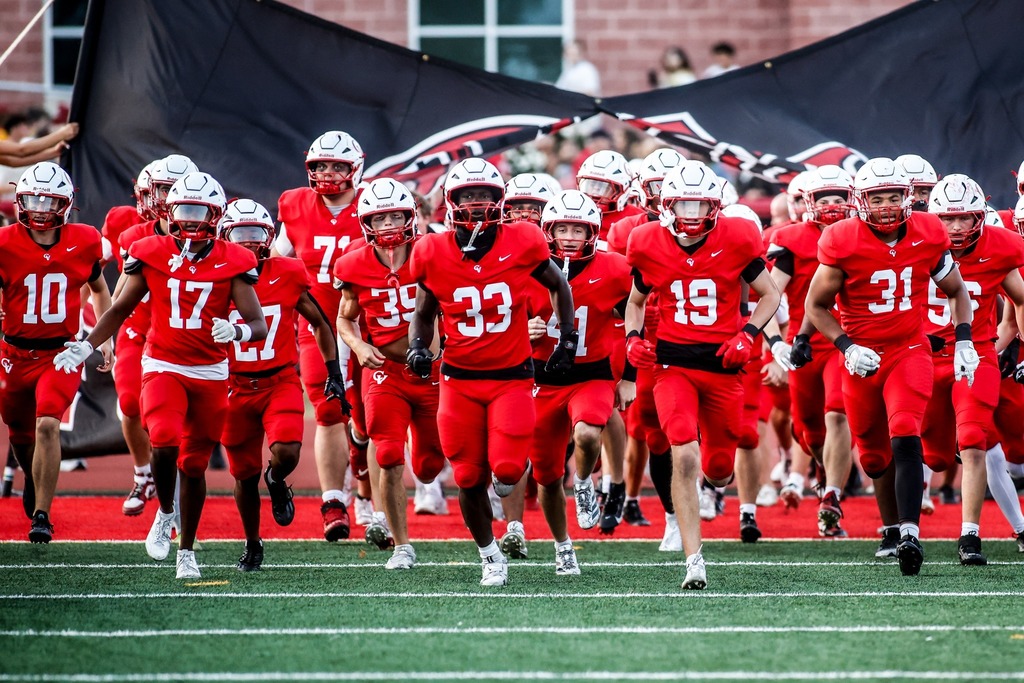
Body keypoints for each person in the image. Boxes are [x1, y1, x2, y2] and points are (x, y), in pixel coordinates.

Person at [55, 171, 268, 579]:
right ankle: (165, 513)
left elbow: (257, 323)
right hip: (164, 363)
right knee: (165, 438)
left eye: (198, 211)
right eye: (182, 210)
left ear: (216, 215)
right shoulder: (149, 249)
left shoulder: (235, 259)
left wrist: (237, 330)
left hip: (210, 370)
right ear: (169, 212)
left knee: (194, 465)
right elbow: (118, 307)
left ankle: (185, 550)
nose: (189, 219)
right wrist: (87, 344)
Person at [803, 157, 976, 575]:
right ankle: (890, 526)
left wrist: (964, 339)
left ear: (907, 197)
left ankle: (909, 533)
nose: (885, 205)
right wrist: (845, 345)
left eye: (893, 196)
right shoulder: (841, 239)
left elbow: (956, 291)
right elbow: (816, 306)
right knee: (874, 455)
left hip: (907, 349)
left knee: (905, 432)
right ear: (862, 201)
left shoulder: (928, 231)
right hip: (861, 356)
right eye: (877, 197)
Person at [407, 157, 576, 587]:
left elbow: (560, 285)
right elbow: (423, 312)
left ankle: (506, 503)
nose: (477, 203)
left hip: (512, 377)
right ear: (452, 201)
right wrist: (416, 348)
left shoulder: (523, 241)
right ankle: (489, 555)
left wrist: (567, 338)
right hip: (459, 381)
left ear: (499, 201)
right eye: (468, 196)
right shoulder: (431, 251)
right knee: (466, 475)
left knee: (505, 468)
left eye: (485, 195)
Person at [625, 160, 781, 589]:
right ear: (666, 204)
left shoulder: (737, 237)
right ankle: (694, 558)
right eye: (684, 203)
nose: (692, 213)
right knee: (684, 453)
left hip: (724, 366)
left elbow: (770, 294)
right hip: (672, 365)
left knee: (717, 469)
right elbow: (635, 301)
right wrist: (633, 337)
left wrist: (749, 334)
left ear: (716, 206)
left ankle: (715, 489)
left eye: (700, 203)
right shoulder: (647, 242)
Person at [219, 198, 345, 572]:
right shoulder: (212, 276)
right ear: (224, 236)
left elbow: (321, 322)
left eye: (255, 234)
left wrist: (333, 371)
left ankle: (275, 479)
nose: (247, 243)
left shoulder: (288, 271)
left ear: (269, 236)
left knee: (287, 451)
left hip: (279, 380)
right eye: (239, 234)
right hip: (233, 385)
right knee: (242, 473)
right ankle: (252, 543)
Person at [335, 178, 446, 570]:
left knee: (430, 464)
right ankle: (402, 546)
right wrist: (361, 347)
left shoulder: (432, 252)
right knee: (386, 453)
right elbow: (345, 318)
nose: (388, 225)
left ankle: (425, 472)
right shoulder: (351, 263)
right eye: (379, 218)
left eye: (395, 216)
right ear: (366, 223)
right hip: (384, 372)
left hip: (432, 372)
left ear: (410, 216)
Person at [0, 161, 112, 542]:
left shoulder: (83, 240)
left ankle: (42, 516)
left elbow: (98, 289)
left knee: (48, 423)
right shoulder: (5, 243)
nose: (39, 209)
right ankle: (33, 483)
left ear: (64, 206)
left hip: (59, 354)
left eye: (48, 202)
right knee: (19, 434)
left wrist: (104, 336)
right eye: (32, 199)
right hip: (13, 355)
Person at [524, 190, 634, 572]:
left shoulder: (616, 269)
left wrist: (629, 377)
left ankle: (585, 481)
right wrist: (525, 330)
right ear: (547, 231)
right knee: (547, 475)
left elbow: (635, 317)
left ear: (594, 232)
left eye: (578, 229)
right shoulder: (528, 268)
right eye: (562, 228)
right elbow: (499, 322)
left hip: (592, 375)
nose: (569, 236)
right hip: (542, 379)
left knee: (588, 434)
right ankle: (562, 544)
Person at [922, 175, 1024, 565]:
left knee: (974, 438)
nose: (957, 227)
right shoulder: (915, 243)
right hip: (925, 356)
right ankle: (904, 524)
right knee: (935, 457)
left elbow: (1018, 300)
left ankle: (970, 535)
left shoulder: (1000, 247)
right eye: (948, 219)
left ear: (980, 216)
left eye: (965, 218)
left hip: (975, 354)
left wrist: (1005, 344)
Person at [272, 130, 367, 541]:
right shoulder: (294, 203)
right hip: (319, 326)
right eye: (320, 166)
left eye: (336, 166)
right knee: (329, 412)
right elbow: (279, 258)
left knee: (367, 420)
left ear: (355, 169)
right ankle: (333, 502)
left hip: (372, 327)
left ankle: (362, 475)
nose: (327, 173)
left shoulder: (374, 203)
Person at [765, 165, 856, 538]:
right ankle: (822, 472)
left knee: (837, 413)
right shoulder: (791, 239)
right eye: (825, 199)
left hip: (845, 342)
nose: (833, 206)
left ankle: (831, 496)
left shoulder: (861, 235)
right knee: (808, 432)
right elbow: (769, 295)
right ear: (807, 202)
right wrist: (775, 343)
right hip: (804, 347)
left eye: (839, 198)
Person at [110, 155, 198, 517]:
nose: (163, 197)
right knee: (131, 403)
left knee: (177, 423)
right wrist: (98, 332)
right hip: (139, 329)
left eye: (171, 190)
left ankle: (175, 489)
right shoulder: (130, 233)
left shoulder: (204, 232)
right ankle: (143, 473)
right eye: (159, 189)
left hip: (186, 335)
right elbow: (111, 288)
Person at [608, 147, 685, 538]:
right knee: (653, 431)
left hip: (689, 335)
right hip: (643, 339)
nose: (666, 192)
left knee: (686, 431)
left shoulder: (710, 229)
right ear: (643, 188)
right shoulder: (627, 231)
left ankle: (688, 501)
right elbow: (611, 288)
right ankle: (672, 516)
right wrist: (628, 321)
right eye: (658, 184)